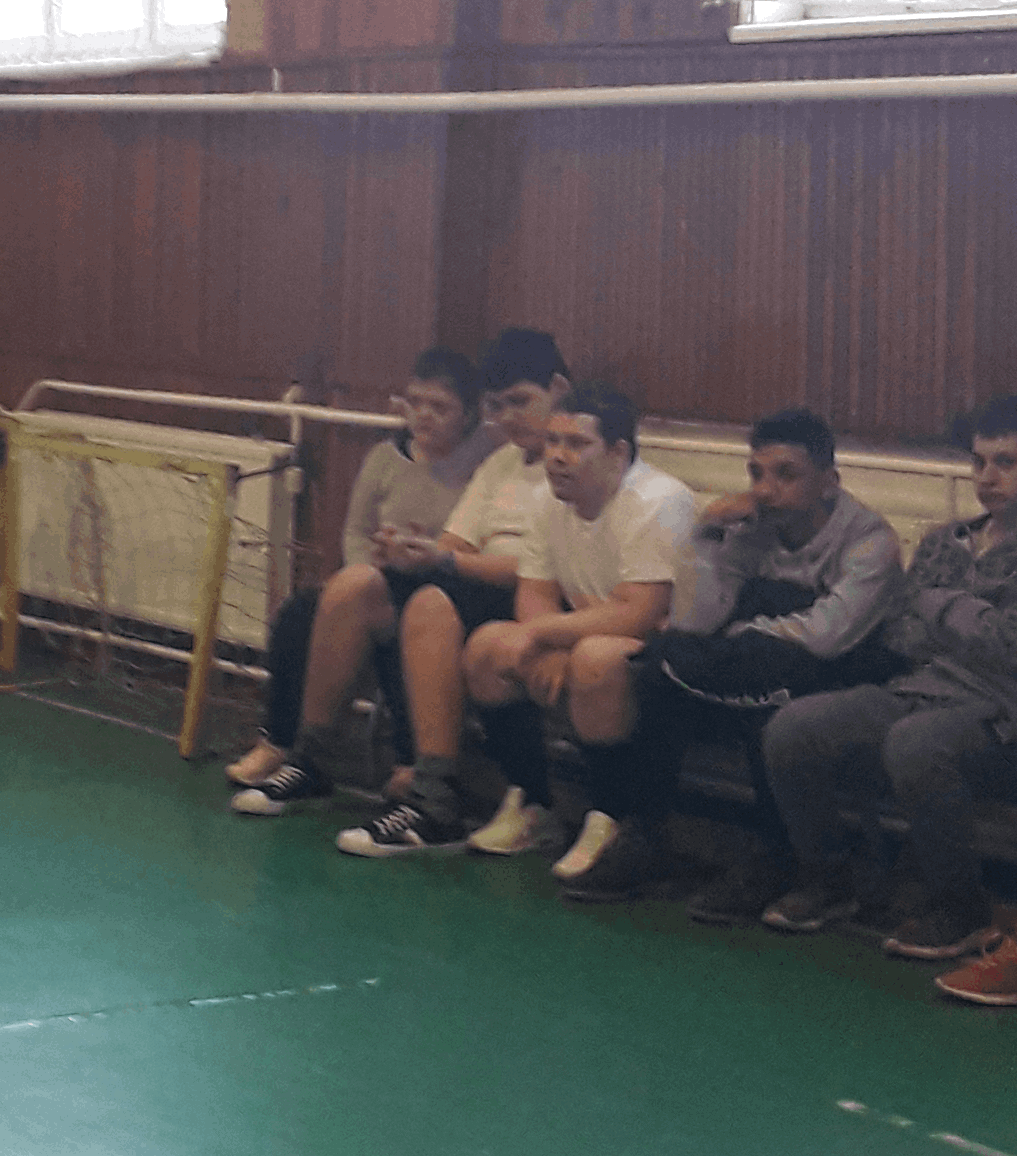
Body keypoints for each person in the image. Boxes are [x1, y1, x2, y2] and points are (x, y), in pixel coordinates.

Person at [559, 409, 906, 910]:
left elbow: (828, 636)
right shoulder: (753, 529)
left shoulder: (870, 540)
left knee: (763, 704)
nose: (765, 490)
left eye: (786, 475)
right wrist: (706, 536)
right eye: (756, 474)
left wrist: (745, 633)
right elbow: (695, 621)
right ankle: (646, 835)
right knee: (658, 675)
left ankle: (774, 858)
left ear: (829, 482)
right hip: (754, 662)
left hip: (838, 673)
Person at [758, 394, 1017, 960]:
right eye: (979, 462)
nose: (988, 478)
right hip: (920, 687)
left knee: (916, 743)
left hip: (1003, 712)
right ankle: (830, 877)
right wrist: (971, 618)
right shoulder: (945, 542)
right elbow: (902, 633)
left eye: (1007, 462)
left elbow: (1013, 646)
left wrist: (943, 605)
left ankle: (960, 907)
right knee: (794, 727)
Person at [228, 348, 498, 814]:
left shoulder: (488, 461)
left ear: (469, 414)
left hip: (443, 582)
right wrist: (367, 566)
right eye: (415, 402)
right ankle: (285, 744)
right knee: (300, 613)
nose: (423, 416)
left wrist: (423, 554)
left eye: (439, 407)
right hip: (381, 575)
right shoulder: (384, 458)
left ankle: (412, 761)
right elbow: (356, 531)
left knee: (406, 623)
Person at [334, 328, 569, 855]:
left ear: (558, 389)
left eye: (521, 402)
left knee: (433, 605)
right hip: (478, 578)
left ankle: (434, 796)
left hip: (538, 594)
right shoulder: (501, 463)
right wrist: (415, 552)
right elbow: (454, 542)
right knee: (362, 590)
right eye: (498, 406)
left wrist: (445, 561)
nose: (509, 418)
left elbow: (543, 568)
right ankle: (304, 753)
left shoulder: (572, 462)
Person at [453, 383, 696, 876]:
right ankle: (533, 804)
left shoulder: (659, 501)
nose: (557, 457)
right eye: (553, 441)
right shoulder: (549, 500)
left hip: (668, 654)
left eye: (577, 444)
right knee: (488, 648)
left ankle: (611, 817)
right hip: (589, 635)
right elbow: (534, 592)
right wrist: (547, 646)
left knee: (595, 659)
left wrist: (551, 638)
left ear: (618, 452)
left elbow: (640, 612)